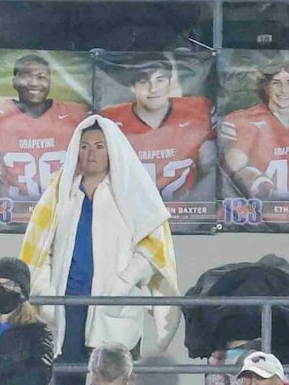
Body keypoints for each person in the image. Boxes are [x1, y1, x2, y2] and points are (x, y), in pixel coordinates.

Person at [19, 118, 182, 370]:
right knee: (66, 384)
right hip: (69, 304)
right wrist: (46, 293)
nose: (90, 153)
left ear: (112, 150)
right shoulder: (60, 195)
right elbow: (42, 250)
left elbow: (152, 247)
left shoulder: (131, 193)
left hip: (114, 303)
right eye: (84, 146)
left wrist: (125, 283)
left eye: (99, 146)